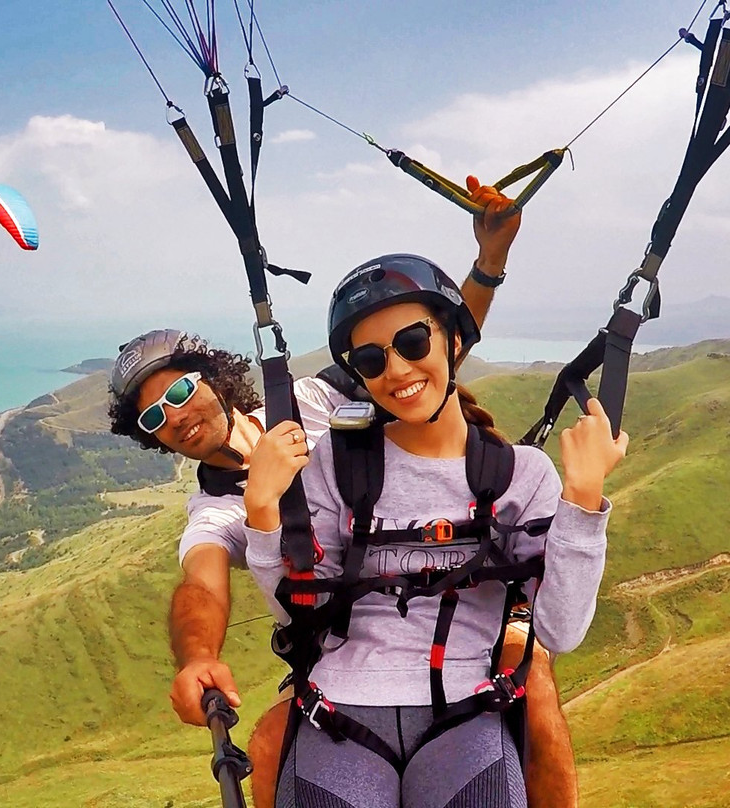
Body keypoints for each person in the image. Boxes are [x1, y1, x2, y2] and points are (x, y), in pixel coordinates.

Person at [109, 182, 581, 807]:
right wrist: (196, 658)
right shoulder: (216, 509)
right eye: (153, 419)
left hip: (456, 603)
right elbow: (202, 587)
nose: (175, 416)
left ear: (213, 378)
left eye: (178, 391)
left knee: (534, 689)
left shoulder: (313, 399)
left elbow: (415, 357)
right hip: (346, 642)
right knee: (270, 745)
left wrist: (489, 262)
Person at [239, 253, 627, 807]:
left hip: (466, 711)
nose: (397, 370)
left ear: (454, 340)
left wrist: (583, 500)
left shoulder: (519, 474)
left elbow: (559, 630)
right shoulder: (336, 464)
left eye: (413, 342)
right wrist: (261, 513)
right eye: (371, 359)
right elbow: (302, 612)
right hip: (340, 709)